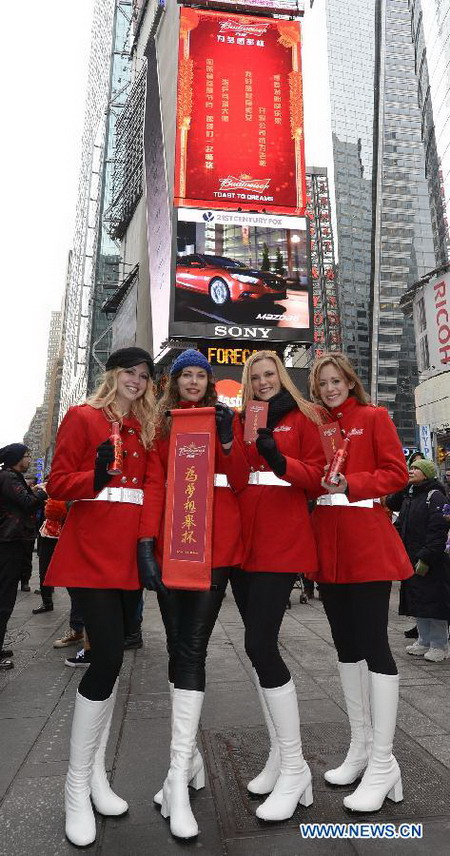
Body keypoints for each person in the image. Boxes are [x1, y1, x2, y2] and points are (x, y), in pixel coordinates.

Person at [44, 346, 157, 847]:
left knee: (113, 662)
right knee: (107, 654)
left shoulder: (146, 426)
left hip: (127, 553)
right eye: (129, 372)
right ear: (112, 375)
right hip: (91, 548)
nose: (137, 380)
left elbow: (152, 489)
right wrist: (95, 474)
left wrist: (149, 545)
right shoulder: (83, 417)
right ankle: (75, 786)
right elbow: (57, 483)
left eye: (144, 375)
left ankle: (95, 777)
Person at [146, 349, 248, 840]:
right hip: (173, 550)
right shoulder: (160, 425)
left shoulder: (225, 420)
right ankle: (188, 761)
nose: (192, 381)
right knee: (176, 646)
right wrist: (147, 542)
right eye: (184, 374)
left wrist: (228, 439)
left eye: (200, 374)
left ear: (209, 382)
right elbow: (154, 485)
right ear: (174, 380)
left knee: (193, 647)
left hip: (215, 551)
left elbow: (244, 479)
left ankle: (177, 777)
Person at [308, 352, 413, 813]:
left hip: (367, 544)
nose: (331, 388)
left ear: (351, 382)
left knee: (375, 645)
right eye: (323, 383)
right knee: (345, 647)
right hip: (328, 549)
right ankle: (361, 748)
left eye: (337, 381)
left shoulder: (373, 417)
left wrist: (351, 483)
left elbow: (397, 473)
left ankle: (385, 761)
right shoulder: (316, 426)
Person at [232, 350, 324, 822]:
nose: (264, 382)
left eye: (271, 375)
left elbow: (319, 479)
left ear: (282, 377)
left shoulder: (303, 417)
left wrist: (279, 458)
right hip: (246, 547)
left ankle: (294, 766)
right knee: (257, 649)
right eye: (256, 376)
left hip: (281, 546)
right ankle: (279, 756)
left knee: (260, 644)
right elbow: (237, 478)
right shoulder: (247, 417)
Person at [386, 458, 450, 662]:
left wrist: (426, 557)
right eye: (410, 468)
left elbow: (438, 531)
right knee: (419, 601)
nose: (411, 471)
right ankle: (424, 640)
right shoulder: (410, 495)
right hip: (411, 556)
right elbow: (393, 508)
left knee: (434, 602)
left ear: (427, 474)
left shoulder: (436, 496)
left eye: (416, 469)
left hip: (430, 559)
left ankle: (440, 645)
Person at [0, 444, 47, 669]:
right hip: (9, 541)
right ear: (18, 459)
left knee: (6, 596)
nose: (29, 459)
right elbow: (27, 503)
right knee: (4, 598)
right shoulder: (9, 477)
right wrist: (42, 490)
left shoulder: (12, 477)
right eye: (27, 456)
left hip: (13, 540)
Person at [32, 497, 68, 614]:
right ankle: (47, 602)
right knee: (44, 570)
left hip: (67, 531)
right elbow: (50, 511)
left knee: (71, 573)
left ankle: (78, 613)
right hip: (49, 533)